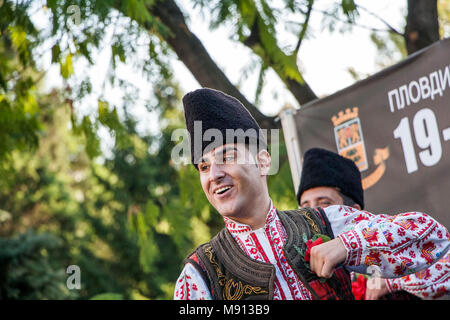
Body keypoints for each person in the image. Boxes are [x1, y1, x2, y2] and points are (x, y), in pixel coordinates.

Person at [173, 87, 449, 300]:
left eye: (227, 157)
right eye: (204, 166)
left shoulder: (327, 222)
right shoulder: (200, 275)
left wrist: (348, 245)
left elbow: (433, 237)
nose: (214, 174)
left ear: (263, 162)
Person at [297, 147, 450, 300]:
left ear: (351, 210)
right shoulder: (298, 265)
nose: (313, 213)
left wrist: (394, 281)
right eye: (305, 207)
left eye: (324, 203)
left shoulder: (385, 252)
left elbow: (437, 238)